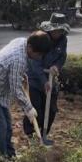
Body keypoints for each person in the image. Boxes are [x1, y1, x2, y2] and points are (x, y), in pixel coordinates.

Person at [0, 31, 52, 159]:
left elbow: (12, 71)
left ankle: (10, 157)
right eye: (38, 54)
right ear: (30, 48)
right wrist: (29, 108)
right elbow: (16, 90)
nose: (39, 58)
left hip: (0, 93)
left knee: (7, 127)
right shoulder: (18, 60)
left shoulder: (22, 41)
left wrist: (20, 74)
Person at [23, 13, 69, 141]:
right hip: (35, 79)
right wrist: (43, 81)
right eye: (55, 30)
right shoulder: (41, 39)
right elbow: (34, 63)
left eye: (60, 30)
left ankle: (44, 136)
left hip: (50, 78)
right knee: (35, 109)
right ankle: (32, 136)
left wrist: (56, 67)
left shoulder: (63, 40)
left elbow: (62, 56)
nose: (57, 33)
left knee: (51, 110)